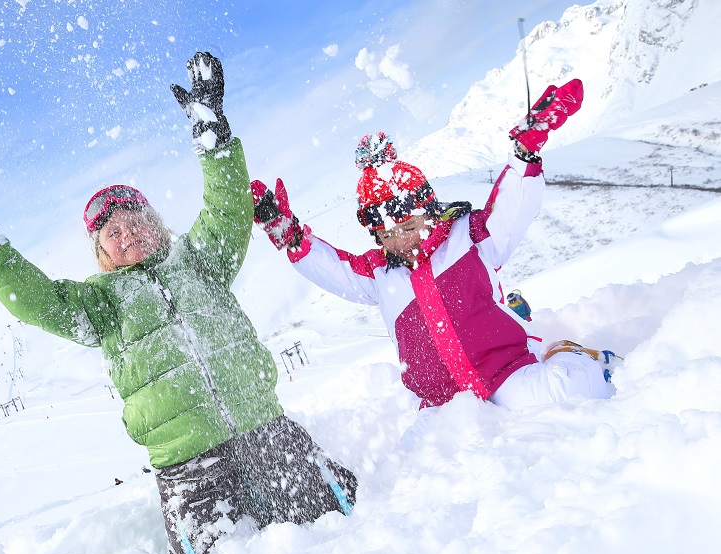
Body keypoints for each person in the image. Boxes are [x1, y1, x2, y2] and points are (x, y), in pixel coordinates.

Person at [0, 52, 357, 554]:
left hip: (263, 430)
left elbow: (228, 210)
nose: (126, 236)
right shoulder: (101, 303)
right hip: (188, 465)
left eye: (135, 221)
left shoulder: (199, 258)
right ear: (100, 253)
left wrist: (213, 138)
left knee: (336, 529)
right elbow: (39, 302)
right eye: (111, 234)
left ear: (156, 223)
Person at [253, 78, 616, 410]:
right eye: (387, 234)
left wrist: (524, 154)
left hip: (505, 375)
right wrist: (288, 234)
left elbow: (511, 212)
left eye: (408, 226)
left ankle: (573, 356)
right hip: (443, 407)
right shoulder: (380, 274)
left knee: (566, 391)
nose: (400, 240)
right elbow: (333, 269)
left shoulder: (469, 238)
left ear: (429, 211)